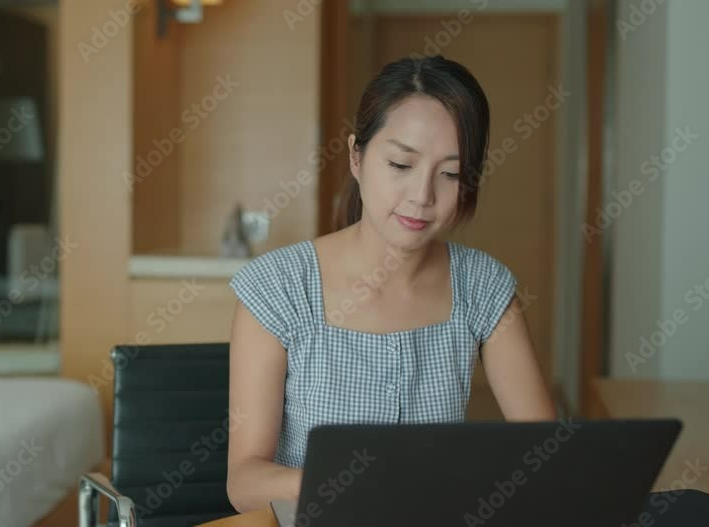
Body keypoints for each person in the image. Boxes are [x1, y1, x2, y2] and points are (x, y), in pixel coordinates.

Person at [225, 55, 557, 513]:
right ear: (356, 157)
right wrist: (380, 488)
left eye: (450, 174)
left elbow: (545, 457)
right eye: (401, 164)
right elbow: (245, 482)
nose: (422, 197)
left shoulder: (484, 287)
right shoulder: (279, 287)